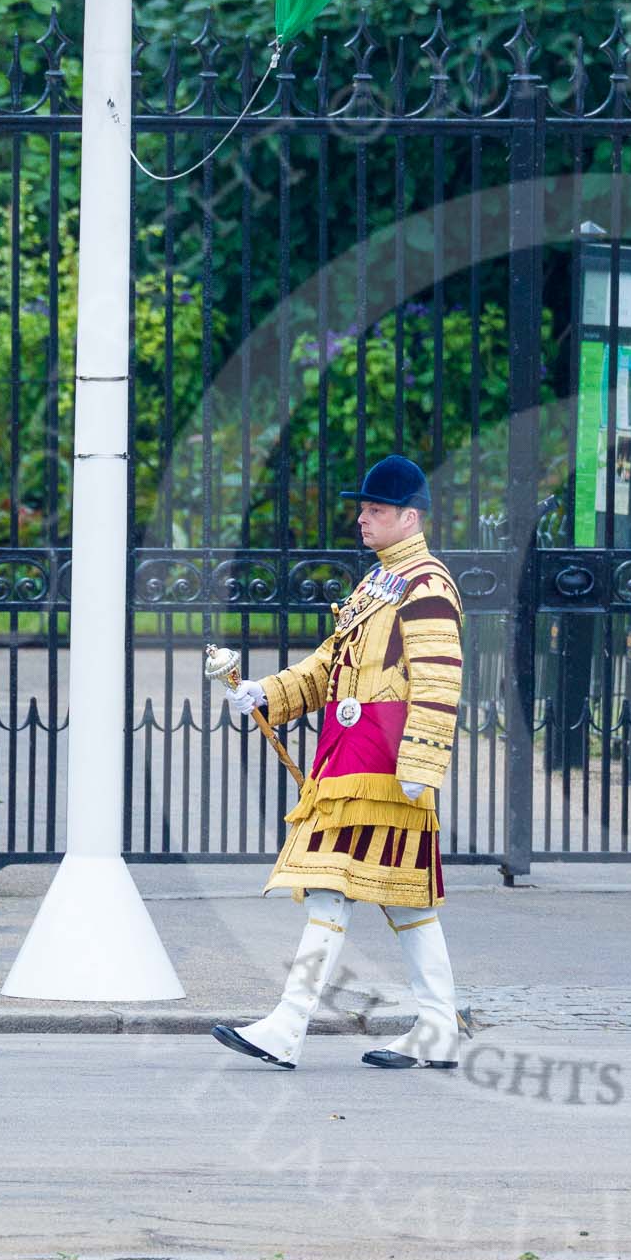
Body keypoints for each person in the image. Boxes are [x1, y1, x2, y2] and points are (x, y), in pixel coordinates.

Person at [212, 454, 469, 1071]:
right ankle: (436, 1028)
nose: (362, 519)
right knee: (407, 901)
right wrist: (267, 693)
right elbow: (331, 663)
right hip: (355, 760)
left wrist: (423, 764)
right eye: (363, 508)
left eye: (375, 510)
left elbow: (440, 678)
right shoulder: (378, 582)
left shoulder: (426, 584)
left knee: (329, 886)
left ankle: (287, 1025)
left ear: (410, 517)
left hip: (383, 766)